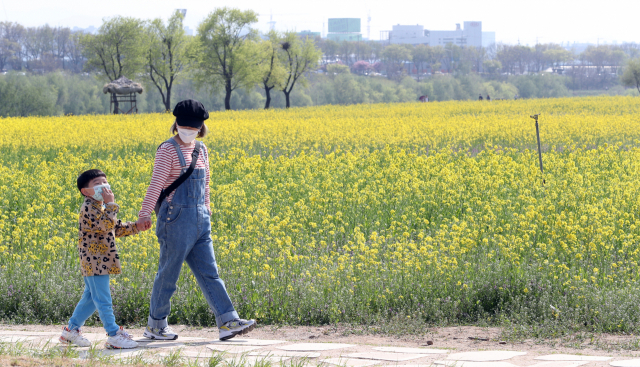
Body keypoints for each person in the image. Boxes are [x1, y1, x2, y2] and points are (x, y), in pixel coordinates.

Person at [137, 99, 255, 341]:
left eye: (194, 127)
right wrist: (144, 214)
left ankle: (227, 320)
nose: (189, 130)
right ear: (176, 124)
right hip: (175, 219)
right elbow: (155, 184)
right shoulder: (167, 150)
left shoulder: (201, 149)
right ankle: (156, 325)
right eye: (184, 125)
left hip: (200, 218)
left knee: (210, 272)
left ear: (201, 127)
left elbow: (207, 182)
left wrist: (207, 208)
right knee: (168, 273)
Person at [60, 169, 144, 349]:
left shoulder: (99, 207)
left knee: (91, 298)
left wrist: (137, 226)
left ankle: (70, 330)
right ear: (85, 191)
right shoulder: (89, 207)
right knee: (103, 299)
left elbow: (114, 227)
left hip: (98, 261)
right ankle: (113, 334)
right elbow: (107, 224)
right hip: (94, 261)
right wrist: (111, 204)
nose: (104, 186)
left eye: (105, 182)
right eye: (97, 183)